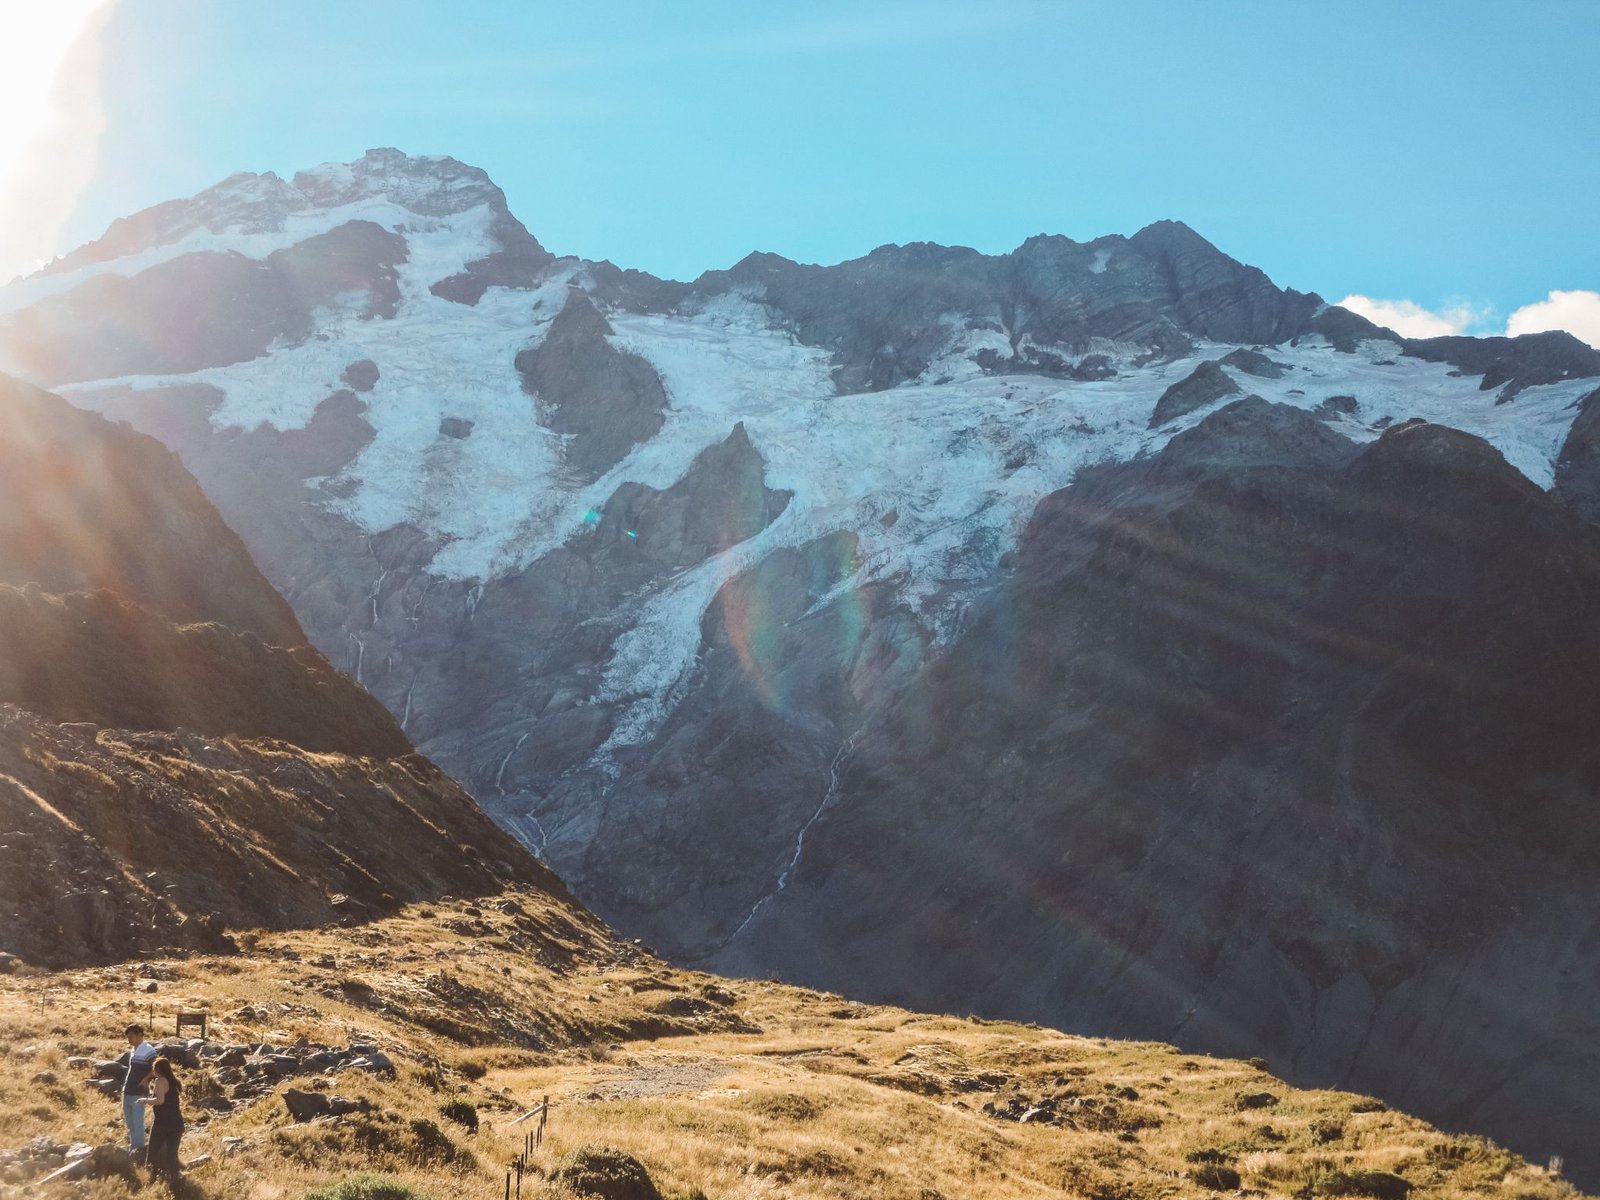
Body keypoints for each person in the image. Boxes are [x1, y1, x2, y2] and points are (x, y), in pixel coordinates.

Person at [139, 1055, 184, 1185]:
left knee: (152, 1153)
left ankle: (150, 1181)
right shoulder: (174, 1082)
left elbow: (160, 1100)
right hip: (176, 1123)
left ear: (157, 1069)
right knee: (172, 1156)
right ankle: (176, 1183)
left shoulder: (160, 1080)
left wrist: (145, 1100)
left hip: (162, 1123)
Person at [121, 1024, 158, 1159]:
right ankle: (133, 1148)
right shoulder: (133, 1050)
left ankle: (139, 1152)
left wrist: (146, 1080)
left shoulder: (148, 1050)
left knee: (137, 1123)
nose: (129, 1040)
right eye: (128, 1037)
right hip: (128, 1090)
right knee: (130, 1123)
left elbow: (156, 1067)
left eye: (131, 1037)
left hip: (138, 1092)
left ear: (140, 1035)